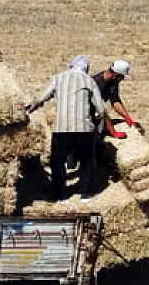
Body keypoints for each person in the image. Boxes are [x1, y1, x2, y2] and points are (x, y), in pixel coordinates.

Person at [24, 55, 115, 201]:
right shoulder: (89, 80)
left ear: (71, 66)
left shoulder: (58, 78)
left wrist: (28, 109)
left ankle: (59, 192)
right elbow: (101, 109)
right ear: (86, 69)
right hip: (84, 129)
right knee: (86, 160)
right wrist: (97, 121)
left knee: (57, 161)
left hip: (62, 128)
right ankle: (85, 192)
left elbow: (42, 97)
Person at [92, 59, 136, 139]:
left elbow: (115, 101)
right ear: (116, 75)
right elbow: (101, 111)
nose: (122, 79)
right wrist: (113, 132)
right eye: (122, 77)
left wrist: (127, 117)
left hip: (99, 112)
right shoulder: (96, 83)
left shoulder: (113, 82)